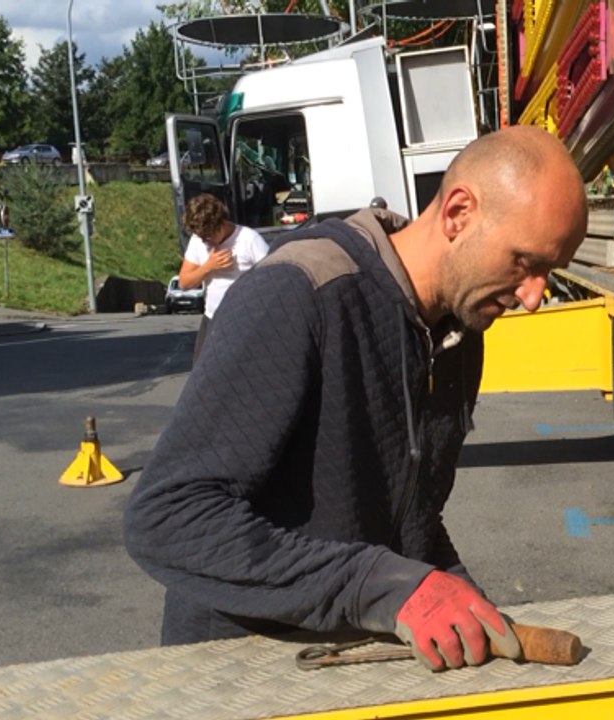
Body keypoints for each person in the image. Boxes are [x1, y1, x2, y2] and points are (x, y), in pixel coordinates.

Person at [123, 126, 589, 671]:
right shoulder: (299, 294)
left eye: (549, 274)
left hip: (351, 666)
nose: (534, 297)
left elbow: (405, 511)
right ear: (459, 213)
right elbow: (167, 518)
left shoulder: (459, 333)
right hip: (238, 671)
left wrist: (454, 594)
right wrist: (378, 586)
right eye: (525, 263)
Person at [177, 193, 270, 359]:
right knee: (202, 376)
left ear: (221, 223)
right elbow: (184, 282)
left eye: (208, 236)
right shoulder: (197, 241)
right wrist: (208, 267)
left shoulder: (249, 239)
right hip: (213, 318)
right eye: (200, 237)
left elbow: (271, 278)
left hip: (245, 320)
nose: (205, 241)